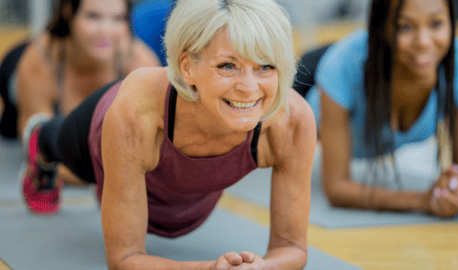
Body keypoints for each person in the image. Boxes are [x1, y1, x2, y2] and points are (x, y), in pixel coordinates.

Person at [21, 0, 317, 269]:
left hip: (179, 190)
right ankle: (41, 139)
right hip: (102, 134)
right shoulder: (137, 114)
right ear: (188, 67)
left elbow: (291, 247)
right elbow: (124, 258)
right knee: (57, 145)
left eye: (265, 66)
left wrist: (265, 267)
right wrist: (209, 268)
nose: (249, 87)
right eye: (228, 66)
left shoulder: (292, 121)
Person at [309, 0, 458, 218]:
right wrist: (422, 200)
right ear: (383, 27)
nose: (424, 42)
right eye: (405, 27)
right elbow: (336, 188)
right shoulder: (341, 67)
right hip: (310, 80)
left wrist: (457, 192)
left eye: (436, 24)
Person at [8, 0, 159, 184]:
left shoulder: (140, 63)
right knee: (8, 128)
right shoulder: (40, 61)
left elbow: (151, 152)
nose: (106, 30)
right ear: (68, 11)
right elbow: (37, 151)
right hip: (17, 71)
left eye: (118, 19)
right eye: (93, 16)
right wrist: (114, 170)